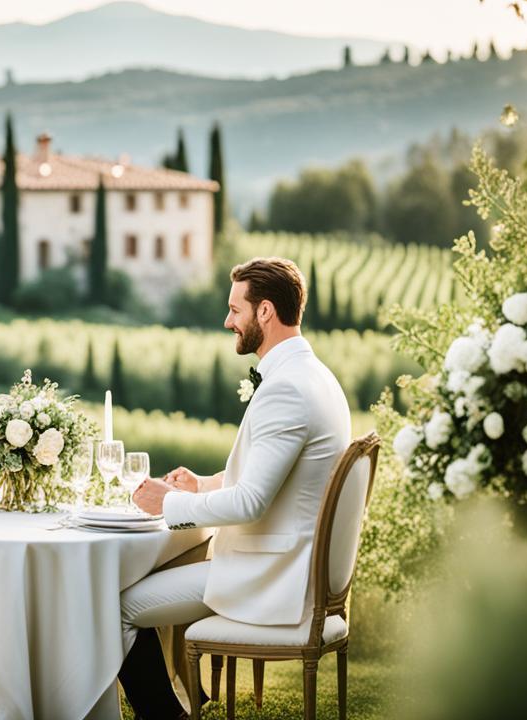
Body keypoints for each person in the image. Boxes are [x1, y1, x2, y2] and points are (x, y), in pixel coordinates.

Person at [118, 256, 351, 720]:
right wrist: (202, 484)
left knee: (119, 604)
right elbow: (277, 478)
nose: (228, 322)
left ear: (265, 312)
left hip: (271, 575)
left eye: (235, 310)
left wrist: (171, 503)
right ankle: (181, 702)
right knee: (154, 573)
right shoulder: (315, 376)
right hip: (294, 566)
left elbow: (250, 502)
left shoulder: (286, 388)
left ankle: (166, 715)